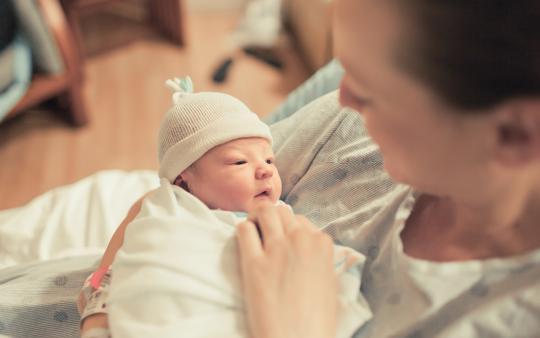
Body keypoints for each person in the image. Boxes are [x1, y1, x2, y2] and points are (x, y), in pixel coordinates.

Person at [236, 0, 540, 337]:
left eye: (369, 93)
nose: (342, 96)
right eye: (344, 68)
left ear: (515, 135)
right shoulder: (347, 128)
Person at [78, 77, 370, 338]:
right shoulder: (166, 204)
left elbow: (301, 266)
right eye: (239, 162)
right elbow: (123, 249)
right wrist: (98, 299)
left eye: (269, 160)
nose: (265, 171)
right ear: (184, 180)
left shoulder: (277, 214)